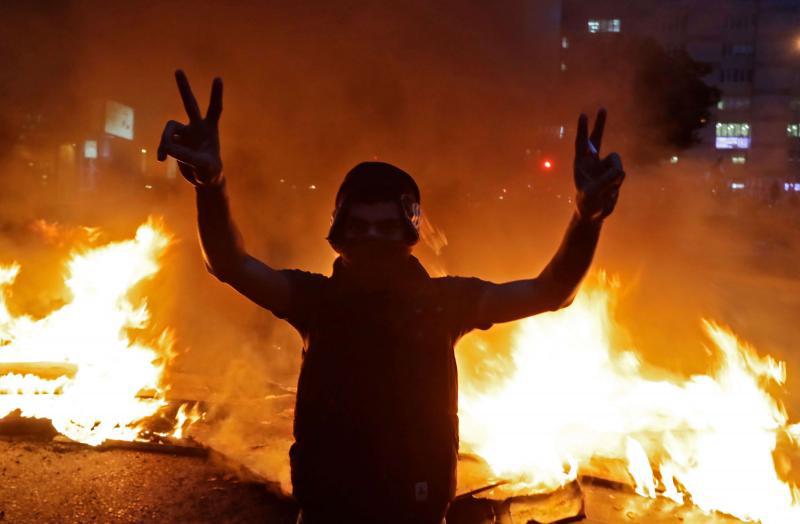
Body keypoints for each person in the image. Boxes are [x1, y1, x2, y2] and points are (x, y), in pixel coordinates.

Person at [158, 70, 625, 524]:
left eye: (386, 228)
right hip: (326, 513)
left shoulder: (445, 304)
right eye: (358, 228)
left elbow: (552, 292)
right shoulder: (315, 301)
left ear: (409, 235)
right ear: (339, 235)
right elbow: (228, 263)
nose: (372, 240)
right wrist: (210, 186)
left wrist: (587, 220)